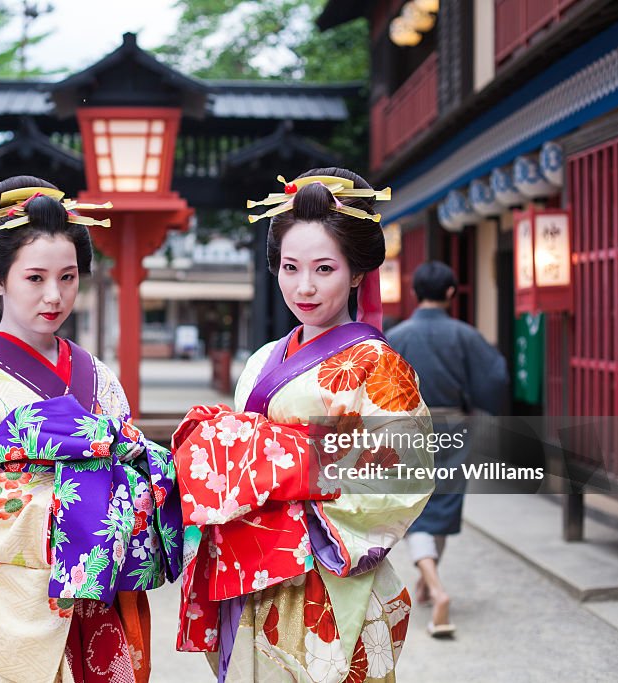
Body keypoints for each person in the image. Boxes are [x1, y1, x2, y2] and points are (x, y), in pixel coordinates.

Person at [0, 175, 182, 682]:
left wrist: (139, 488)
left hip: (99, 605)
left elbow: (134, 470)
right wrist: (65, 514)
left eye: (69, 277)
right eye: (35, 278)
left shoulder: (99, 376)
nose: (54, 296)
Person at [172, 168, 433, 682]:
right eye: (290, 268)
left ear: (357, 273)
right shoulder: (265, 358)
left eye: (324, 269)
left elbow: (404, 473)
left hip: (321, 576)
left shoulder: (379, 366)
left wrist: (278, 474)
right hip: (248, 574)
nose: (304, 286)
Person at [385, 261, 509, 638]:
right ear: (452, 293)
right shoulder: (465, 335)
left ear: (414, 292)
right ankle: (431, 582)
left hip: (409, 427)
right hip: (454, 426)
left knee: (416, 510)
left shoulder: (397, 336)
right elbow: (495, 377)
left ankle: (434, 588)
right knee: (443, 502)